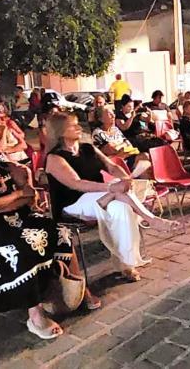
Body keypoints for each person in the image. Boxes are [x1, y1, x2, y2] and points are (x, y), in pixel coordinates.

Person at [0, 126, 99, 339]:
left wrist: (1, 203)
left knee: (59, 231)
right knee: (19, 245)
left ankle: (78, 288)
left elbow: (29, 197)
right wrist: (16, 194)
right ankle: (35, 314)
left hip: (19, 216)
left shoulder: (6, 167)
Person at [43, 112, 178, 282]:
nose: (79, 128)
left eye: (78, 124)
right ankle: (150, 220)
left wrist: (125, 178)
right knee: (118, 196)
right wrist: (111, 187)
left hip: (102, 196)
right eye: (73, 125)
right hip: (73, 202)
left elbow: (112, 167)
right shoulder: (54, 158)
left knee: (120, 207)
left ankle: (126, 264)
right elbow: (76, 183)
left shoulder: (88, 148)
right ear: (61, 132)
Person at [92, 106, 150, 171]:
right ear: (101, 119)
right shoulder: (98, 133)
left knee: (145, 157)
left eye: (113, 113)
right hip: (112, 164)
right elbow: (111, 150)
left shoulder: (115, 129)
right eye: (109, 114)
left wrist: (120, 147)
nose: (113, 115)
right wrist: (123, 147)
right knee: (142, 160)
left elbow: (128, 143)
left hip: (126, 158)